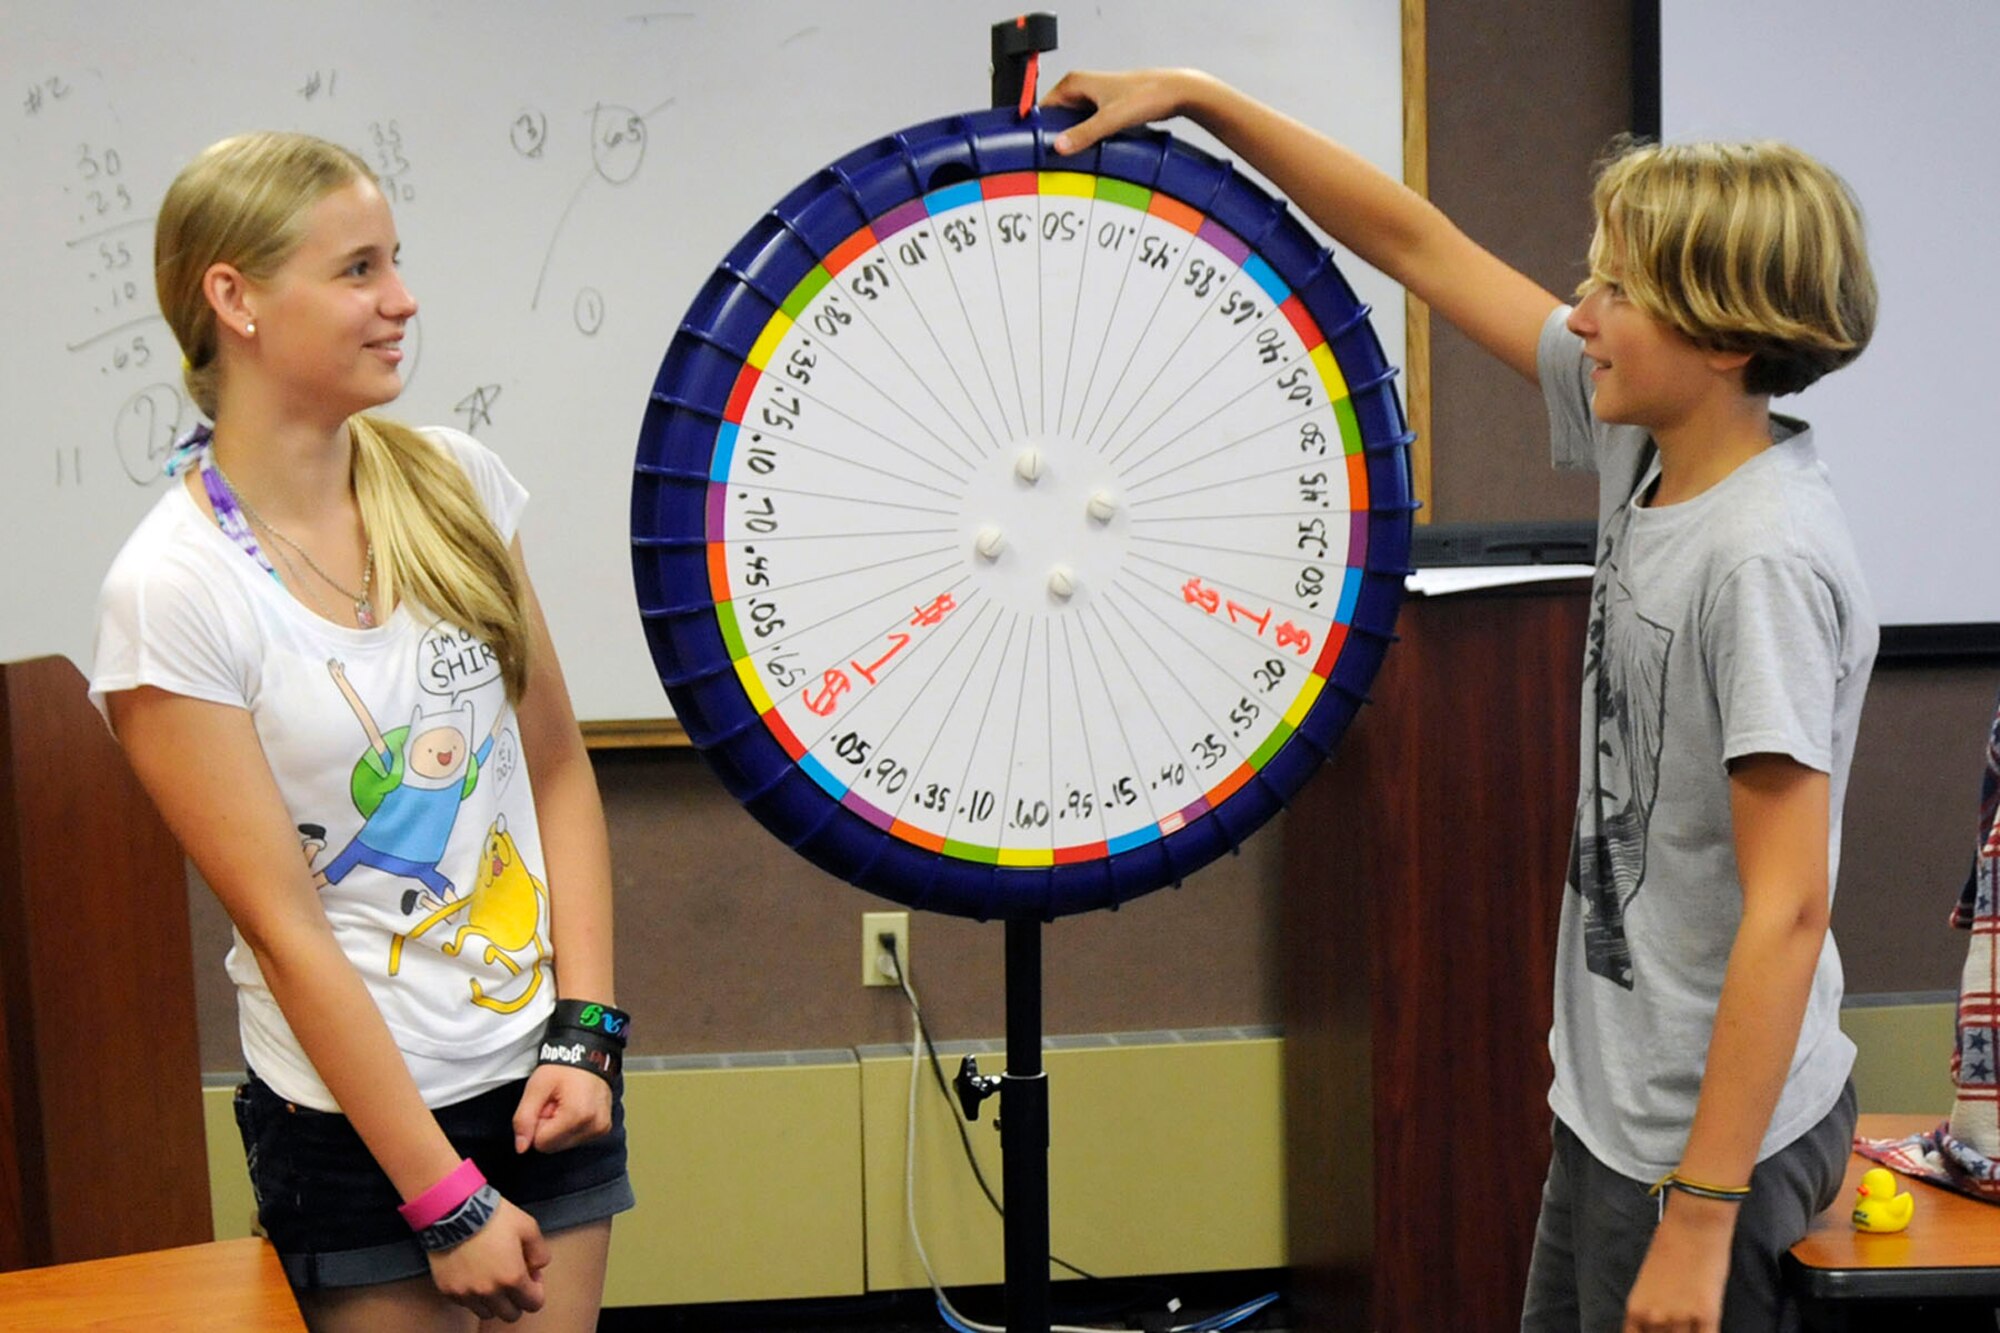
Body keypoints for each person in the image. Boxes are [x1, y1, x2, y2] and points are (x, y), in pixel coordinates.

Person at [1045, 71, 1876, 1332]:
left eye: (1614, 290)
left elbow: (1788, 907)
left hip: (1709, 1151)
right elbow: (1416, 243)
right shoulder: (1647, 444)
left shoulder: (1760, 556)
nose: (1579, 316)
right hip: (1615, 1112)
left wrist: (1703, 1217)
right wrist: (1203, 103)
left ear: (1719, 339)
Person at [91, 131, 633, 1330]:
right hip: (356, 1125)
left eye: (396, 260)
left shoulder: (455, 481)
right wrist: (441, 1196)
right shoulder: (171, 591)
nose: (403, 300)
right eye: (357, 270)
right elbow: (284, 928)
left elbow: (555, 771)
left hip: (545, 1078)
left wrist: (587, 1031)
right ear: (231, 297)